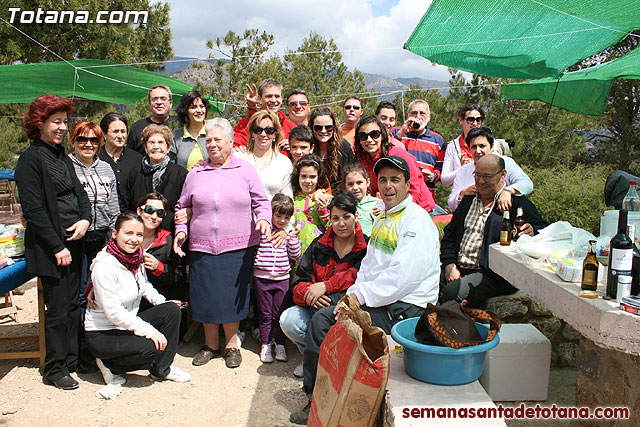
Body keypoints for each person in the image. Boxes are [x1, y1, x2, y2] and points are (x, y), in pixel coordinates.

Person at [289, 156, 440, 424]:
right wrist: (352, 296)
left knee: (331, 323)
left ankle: (332, 401)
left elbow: (401, 278)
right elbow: (369, 267)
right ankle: (317, 399)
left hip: (405, 306)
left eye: (395, 179)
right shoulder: (384, 218)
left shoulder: (415, 220)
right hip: (380, 300)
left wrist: (357, 297)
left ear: (407, 184)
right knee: (323, 320)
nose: (388, 186)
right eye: (383, 180)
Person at [174, 118, 272, 369]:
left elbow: (261, 201)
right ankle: (210, 345)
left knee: (232, 298)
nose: (213, 144)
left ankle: (231, 346)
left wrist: (263, 219)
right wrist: (181, 231)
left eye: (218, 139)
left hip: (238, 246)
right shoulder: (195, 173)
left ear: (230, 141)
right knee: (205, 295)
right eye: (209, 140)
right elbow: (182, 206)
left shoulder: (246, 170)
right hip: (202, 246)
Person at [15, 94, 91, 390]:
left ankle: (71, 358)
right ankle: (54, 368)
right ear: (40, 123)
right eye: (56, 122)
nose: (62, 127)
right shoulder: (30, 159)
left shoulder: (61, 155)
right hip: (52, 248)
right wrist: (57, 246)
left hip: (74, 242)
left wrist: (84, 219)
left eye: (64, 121)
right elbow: (33, 210)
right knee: (58, 310)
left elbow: (79, 194)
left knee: (74, 305)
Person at [85, 212, 190, 385]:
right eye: (128, 233)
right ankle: (109, 364)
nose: (134, 239)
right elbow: (113, 313)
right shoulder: (104, 266)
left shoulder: (135, 257)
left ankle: (162, 370)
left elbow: (145, 287)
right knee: (152, 348)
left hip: (126, 323)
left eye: (139, 235)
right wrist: (150, 331)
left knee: (171, 310)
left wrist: (163, 303)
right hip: (103, 332)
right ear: (114, 234)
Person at [440, 154, 548, 308]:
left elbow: (544, 229)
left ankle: (446, 328)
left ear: (502, 175)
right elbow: (449, 236)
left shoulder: (515, 202)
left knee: (452, 292)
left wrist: (533, 231)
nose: (481, 181)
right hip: (458, 267)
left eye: (487, 176)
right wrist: (450, 264)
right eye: (477, 175)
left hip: (493, 275)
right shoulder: (469, 199)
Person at [280, 191, 368, 378]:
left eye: (346, 217)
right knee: (289, 319)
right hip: (317, 307)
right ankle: (313, 358)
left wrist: (326, 286)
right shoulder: (318, 245)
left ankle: (341, 361)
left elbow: (359, 275)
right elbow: (298, 285)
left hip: (351, 310)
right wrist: (310, 295)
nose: (341, 223)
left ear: (356, 216)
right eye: (335, 218)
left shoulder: (367, 247)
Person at [253, 194, 302, 364]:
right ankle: (265, 344)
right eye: (278, 216)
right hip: (262, 278)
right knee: (265, 314)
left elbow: (297, 256)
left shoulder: (287, 234)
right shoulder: (263, 231)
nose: (282, 220)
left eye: (286, 217)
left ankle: (280, 343)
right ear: (271, 214)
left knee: (279, 313)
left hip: (282, 278)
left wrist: (294, 238)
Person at [353, 115, 435, 212]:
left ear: (382, 135)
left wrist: (389, 208)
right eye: (363, 136)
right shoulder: (361, 160)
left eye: (374, 134)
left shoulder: (399, 155)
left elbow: (414, 192)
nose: (369, 140)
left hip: (418, 209)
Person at [68, 121, 119, 272]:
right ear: (72, 141)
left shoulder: (106, 167)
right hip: (76, 236)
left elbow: (114, 202)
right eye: (82, 139)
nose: (88, 144)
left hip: (103, 235)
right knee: (79, 284)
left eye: (94, 140)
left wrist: (113, 230)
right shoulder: (65, 166)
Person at [448, 126, 533, 212]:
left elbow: (527, 184)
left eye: (482, 146)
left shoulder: (506, 163)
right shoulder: (463, 171)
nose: (478, 151)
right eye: (474, 147)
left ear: (491, 146)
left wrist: (507, 191)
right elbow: (451, 204)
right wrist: (463, 193)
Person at [122, 124, 187, 231]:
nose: (156, 147)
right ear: (145, 147)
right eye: (151, 143)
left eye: (161, 142)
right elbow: (126, 203)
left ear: (168, 147)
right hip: (139, 233)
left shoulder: (180, 174)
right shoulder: (135, 172)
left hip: (169, 234)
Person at [135, 192, 185, 304]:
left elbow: (178, 278)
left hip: (157, 303)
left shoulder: (169, 240)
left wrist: (159, 268)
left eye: (160, 213)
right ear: (139, 211)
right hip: (126, 303)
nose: (154, 216)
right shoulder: (126, 237)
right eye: (149, 210)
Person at [391, 99, 446, 194]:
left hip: (426, 195)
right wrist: (401, 133)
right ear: (408, 115)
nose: (418, 117)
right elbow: (386, 153)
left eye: (422, 113)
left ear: (429, 117)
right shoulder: (396, 132)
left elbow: (441, 169)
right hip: (399, 194)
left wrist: (432, 176)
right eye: (414, 113)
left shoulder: (438, 141)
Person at [236, 110, 293, 200]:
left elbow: (288, 200)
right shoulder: (238, 158)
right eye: (257, 130)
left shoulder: (284, 163)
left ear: (275, 134)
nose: (263, 134)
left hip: (272, 213)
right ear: (252, 133)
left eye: (269, 130)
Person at [233, 78, 296, 149]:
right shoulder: (246, 124)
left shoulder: (291, 127)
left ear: (281, 99)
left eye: (277, 96)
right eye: (269, 96)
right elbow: (233, 147)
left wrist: (294, 146)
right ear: (260, 99)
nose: (273, 100)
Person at [98, 113, 143, 207]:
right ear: (104, 134)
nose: (120, 136)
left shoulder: (136, 159)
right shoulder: (96, 158)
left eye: (123, 131)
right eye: (115, 131)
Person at [290, 154, 331, 254]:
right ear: (297, 176)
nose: (308, 181)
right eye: (303, 176)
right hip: (294, 254)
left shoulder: (327, 199)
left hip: (319, 254)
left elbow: (331, 227)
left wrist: (323, 209)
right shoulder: (291, 199)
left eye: (312, 177)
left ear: (319, 177)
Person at [310, 107, 355, 193]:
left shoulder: (343, 147)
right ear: (312, 128)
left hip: (340, 197)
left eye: (328, 127)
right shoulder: (306, 146)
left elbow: (351, 175)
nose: (323, 131)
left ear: (334, 128)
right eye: (318, 128)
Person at [441, 104, 484, 186]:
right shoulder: (453, 146)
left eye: (478, 120)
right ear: (461, 120)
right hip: (462, 194)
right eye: (470, 120)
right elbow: (444, 180)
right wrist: (462, 170)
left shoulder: (490, 144)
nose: (475, 123)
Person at [127, 85, 173, 155]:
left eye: (163, 99)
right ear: (149, 104)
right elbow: (130, 155)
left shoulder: (180, 124)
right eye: (155, 99)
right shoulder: (137, 127)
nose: (159, 102)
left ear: (171, 103)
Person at [171, 90, 209, 170]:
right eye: (193, 107)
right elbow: (172, 168)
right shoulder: (175, 137)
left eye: (202, 106)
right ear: (185, 111)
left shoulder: (213, 133)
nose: (199, 111)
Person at [341, 163, 380, 237]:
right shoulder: (342, 204)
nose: (355, 188)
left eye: (359, 183)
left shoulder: (376, 204)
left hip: (367, 246)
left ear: (368, 182)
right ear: (345, 185)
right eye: (350, 184)